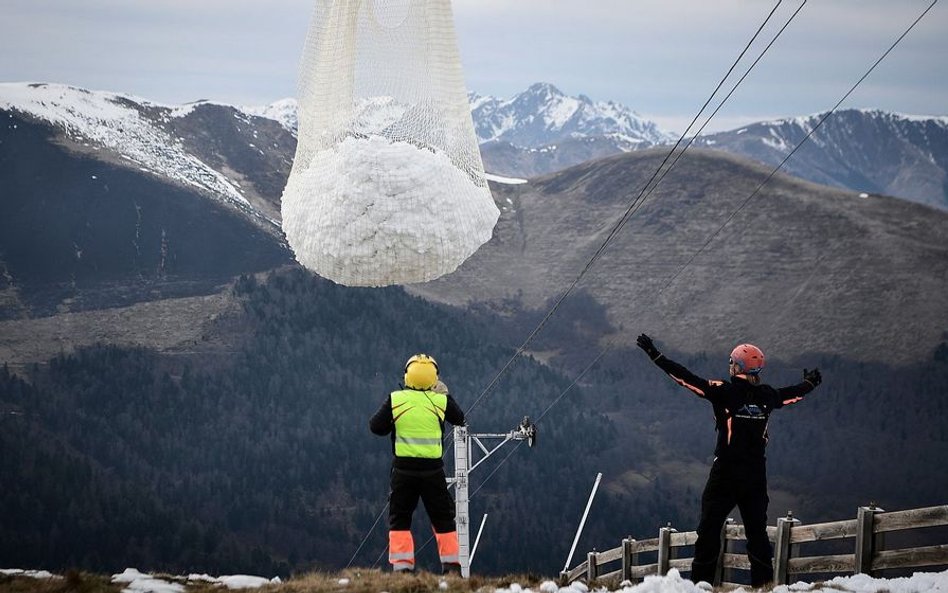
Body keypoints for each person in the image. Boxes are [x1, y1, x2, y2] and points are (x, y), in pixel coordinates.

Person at [636, 334, 822, 588]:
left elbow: (686, 379)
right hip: (756, 475)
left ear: (738, 367)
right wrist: (810, 383)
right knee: (757, 534)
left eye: (732, 361)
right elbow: (791, 394)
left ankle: (701, 585)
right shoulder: (767, 395)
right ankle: (764, 586)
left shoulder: (724, 391)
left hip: (725, 473)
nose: (729, 365)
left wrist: (655, 356)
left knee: (709, 532)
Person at [369, 353, 465, 575]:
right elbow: (459, 418)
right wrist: (446, 395)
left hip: (403, 472)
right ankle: (451, 567)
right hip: (433, 472)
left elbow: (376, 427)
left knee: (400, 519)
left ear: (407, 375)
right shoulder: (441, 401)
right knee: (443, 519)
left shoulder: (396, 399)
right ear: (435, 378)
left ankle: (402, 568)